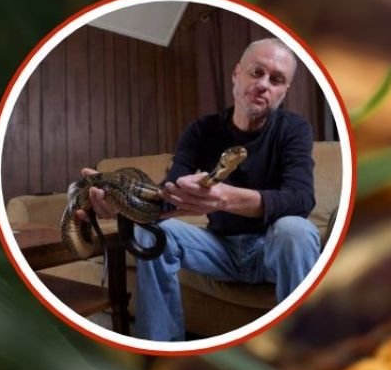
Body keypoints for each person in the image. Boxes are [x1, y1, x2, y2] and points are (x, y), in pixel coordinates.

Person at [80, 38, 320, 341]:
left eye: (276, 80)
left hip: (273, 250)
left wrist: (227, 200)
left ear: (284, 91)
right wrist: (123, 205)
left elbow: (301, 199)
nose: (263, 85)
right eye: (256, 72)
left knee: (295, 230)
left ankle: (302, 353)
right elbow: (169, 194)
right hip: (220, 250)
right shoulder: (201, 130)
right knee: (147, 231)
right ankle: (160, 349)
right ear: (236, 74)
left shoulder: (294, 129)